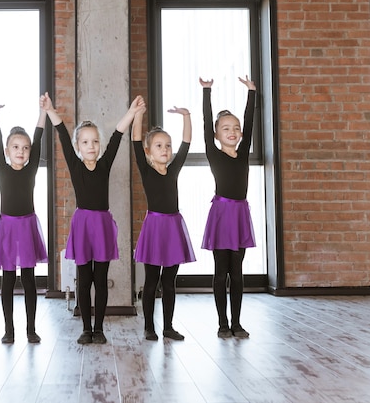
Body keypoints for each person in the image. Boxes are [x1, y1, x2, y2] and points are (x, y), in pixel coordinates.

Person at [40, 92, 143, 345]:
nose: (91, 146)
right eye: (85, 142)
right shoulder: (75, 166)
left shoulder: (105, 163)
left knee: (100, 279)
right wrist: (51, 110)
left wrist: (131, 113)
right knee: (84, 280)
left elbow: (118, 136)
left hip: (103, 226)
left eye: (95, 142)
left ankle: (99, 329)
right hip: (83, 226)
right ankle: (86, 328)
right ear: (78, 147)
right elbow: (63, 135)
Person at [132, 101, 196, 341]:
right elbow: (136, 141)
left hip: (173, 227)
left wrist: (186, 115)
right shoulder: (146, 170)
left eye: (168, 146)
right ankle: (149, 326)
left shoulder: (174, 169)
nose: (165, 149)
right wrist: (138, 114)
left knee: (169, 281)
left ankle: (168, 326)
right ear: (149, 152)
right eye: (159, 146)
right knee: (151, 280)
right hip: (154, 228)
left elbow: (187, 143)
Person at [200, 76, 257, 339]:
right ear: (216, 134)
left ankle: (238, 322)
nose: (232, 131)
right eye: (225, 128)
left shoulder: (243, 151)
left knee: (238, 271)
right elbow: (204, 123)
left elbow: (250, 120)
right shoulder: (214, 153)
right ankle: (222, 323)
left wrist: (251, 93)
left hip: (240, 214)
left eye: (235, 128)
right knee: (221, 271)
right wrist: (207, 91)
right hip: (222, 215)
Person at [0, 103, 48, 344]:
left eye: (25, 148)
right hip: (7, 227)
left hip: (26, 227)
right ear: (7, 151)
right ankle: (8, 329)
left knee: (29, 279)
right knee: (8, 280)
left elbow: (39, 135)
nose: (21, 151)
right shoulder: (2, 168)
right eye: (15, 147)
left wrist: (43, 112)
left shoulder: (31, 168)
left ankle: (31, 329)